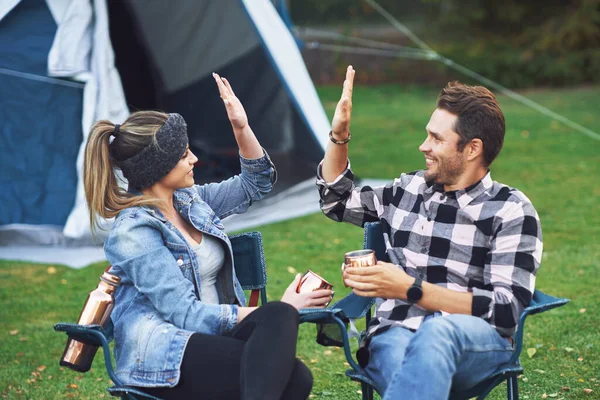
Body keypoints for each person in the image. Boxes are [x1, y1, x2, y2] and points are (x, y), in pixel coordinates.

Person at [83, 73, 333, 400]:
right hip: (164, 355)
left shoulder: (190, 202)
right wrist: (280, 309)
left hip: (211, 341)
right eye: (184, 154)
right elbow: (184, 314)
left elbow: (255, 183)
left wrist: (241, 127)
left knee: (296, 374)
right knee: (286, 342)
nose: (194, 159)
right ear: (157, 167)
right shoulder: (133, 231)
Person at [317, 66, 542, 399]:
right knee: (401, 357)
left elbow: (506, 311)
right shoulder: (408, 190)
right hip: (394, 333)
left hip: (474, 341)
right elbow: (337, 200)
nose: (424, 146)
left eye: (437, 138)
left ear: (472, 149)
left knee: (437, 334)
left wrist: (409, 288)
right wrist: (340, 134)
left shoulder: (510, 209)